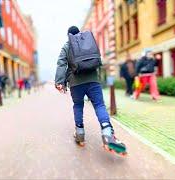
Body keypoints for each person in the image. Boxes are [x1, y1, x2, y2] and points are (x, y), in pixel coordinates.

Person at [54, 26, 126, 155]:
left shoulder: (67, 45)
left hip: (76, 83)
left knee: (78, 105)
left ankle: (80, 134)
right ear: (79, 33)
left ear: (68, 35)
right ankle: (107, 133)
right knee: (99, 105)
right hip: (93, 80)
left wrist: (59, 81)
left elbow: (61, 63)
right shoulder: (87, 41)